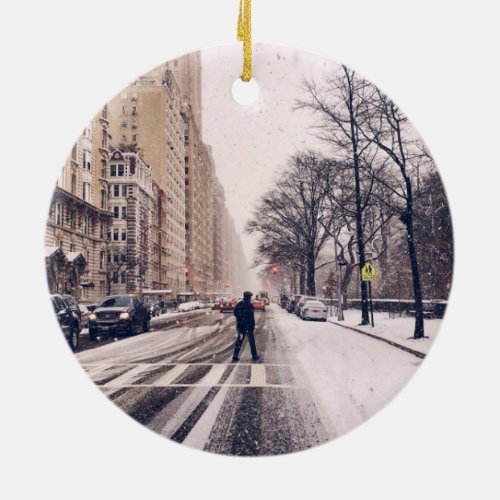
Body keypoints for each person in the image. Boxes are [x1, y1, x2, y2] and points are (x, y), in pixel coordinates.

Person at [232, 291, 259, 362]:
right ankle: (254, 355)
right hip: (247, 327)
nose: (250, 298)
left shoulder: (239, 305)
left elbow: (235, 313)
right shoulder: (250, 306)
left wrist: (240, 318)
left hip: (241, 327)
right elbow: (252, 317)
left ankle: (235, 355)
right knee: (251, 342)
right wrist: (251, 325)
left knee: (240, 341)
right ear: (248, 297)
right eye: (250, 297)